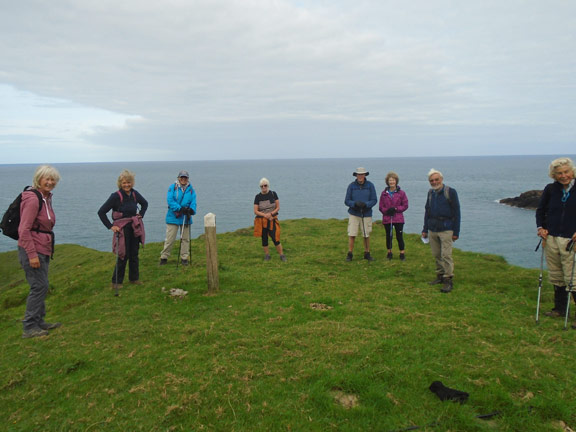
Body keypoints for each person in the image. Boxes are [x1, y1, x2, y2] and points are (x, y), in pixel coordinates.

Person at [19, 165, 62, 338]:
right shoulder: (33, 199)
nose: (50, 182)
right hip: (33, 249)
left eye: (53, 180)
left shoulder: (46, 198)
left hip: (43, 247)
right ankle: (29, 327)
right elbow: (24, 230)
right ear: (39, 179)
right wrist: (31, 255)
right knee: (39, 286)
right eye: (47, 179)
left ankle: (39, 321)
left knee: (42, 285)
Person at [536, 157, 576, 327]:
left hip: (571, 239)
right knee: (556, 275)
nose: (563, 175)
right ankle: (560, 309)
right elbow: (541, 210)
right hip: (551, 237)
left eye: (566, 172)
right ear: (554, 175)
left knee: (573, 277)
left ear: (572, 171)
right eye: (559, 173)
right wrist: (541, 227)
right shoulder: (551, 189)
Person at [98, 170, 148, 291]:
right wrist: (110, 226)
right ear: (120, 183)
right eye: (124, 183)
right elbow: (101, 212)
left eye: (129, 182)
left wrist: (141, 214)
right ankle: (116, 281)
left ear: (132, 183)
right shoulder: (115, 196)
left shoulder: (134, 194)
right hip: (122, 229)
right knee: (122, 254)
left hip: (134, 226)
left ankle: (134, 278)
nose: (127, 185)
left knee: (134, 253)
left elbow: (145, 203)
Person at [422, 169, 461, 293]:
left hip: (446, 228)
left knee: (446, 255)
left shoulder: (450, 192)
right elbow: (427, 211)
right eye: (431, 180)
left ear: (441, 179)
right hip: (433, 228)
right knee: (436, 254)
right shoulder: (430, 193)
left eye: (436, 179)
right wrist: (425, 229)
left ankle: (448, 279)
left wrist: (456, 232)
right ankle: (440, 276)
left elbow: (457, 212)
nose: (434, 182)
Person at [159, 170, 197, 266]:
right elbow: (170, 200)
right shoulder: (172, 187)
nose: (183, 179)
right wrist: (180, 208)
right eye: (182, 177)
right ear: (178, 178)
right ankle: (164, 257)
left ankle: (184, 258)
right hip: (173, 216)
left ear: (188, 179)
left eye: (185, 177)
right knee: (170, 239)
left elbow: (194, 201)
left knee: (185, 239)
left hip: (186, 217)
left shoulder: (191, 189)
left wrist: (192, 210)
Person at [345, 167, 377, 261]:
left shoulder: (370, 185)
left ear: (365, 175)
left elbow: (374, 200)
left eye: (362, 174)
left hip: (366, 213)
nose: (360, 176)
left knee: (366, 234)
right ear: (356, 175)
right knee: (352, 233)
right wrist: (354, 204)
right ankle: (350, 254)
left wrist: (366, 205)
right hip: (354, 213)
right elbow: (347, 200)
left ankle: (367, 253)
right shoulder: (351, 186)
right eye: (359, 174)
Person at [253, 178, 286, 261]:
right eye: (262, 186)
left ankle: (282, 255)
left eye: (265, 185)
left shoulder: (273, 194)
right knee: (264, 239)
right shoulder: (258, 197)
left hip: (272, 219)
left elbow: (278, 207)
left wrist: (271, 214)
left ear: (268, 185)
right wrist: (265, 215)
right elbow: (256, 211)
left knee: (276, 238)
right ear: (260, 187)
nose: (264, 187)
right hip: (262, 221)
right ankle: (267, 255)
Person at [379, 171, 409, 260]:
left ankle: (402, 253)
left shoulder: (401, 193)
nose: (392, 182)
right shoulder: (384, 193)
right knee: (389, 236)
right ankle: (389, 252)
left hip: (398, 218)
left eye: (393, 180)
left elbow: (405, 205)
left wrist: (396, 209)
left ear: (396, 181)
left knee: (399, 236)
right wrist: (387, 211)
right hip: (387, 218)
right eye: (390, 180)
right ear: (387, 182)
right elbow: (381, 207)